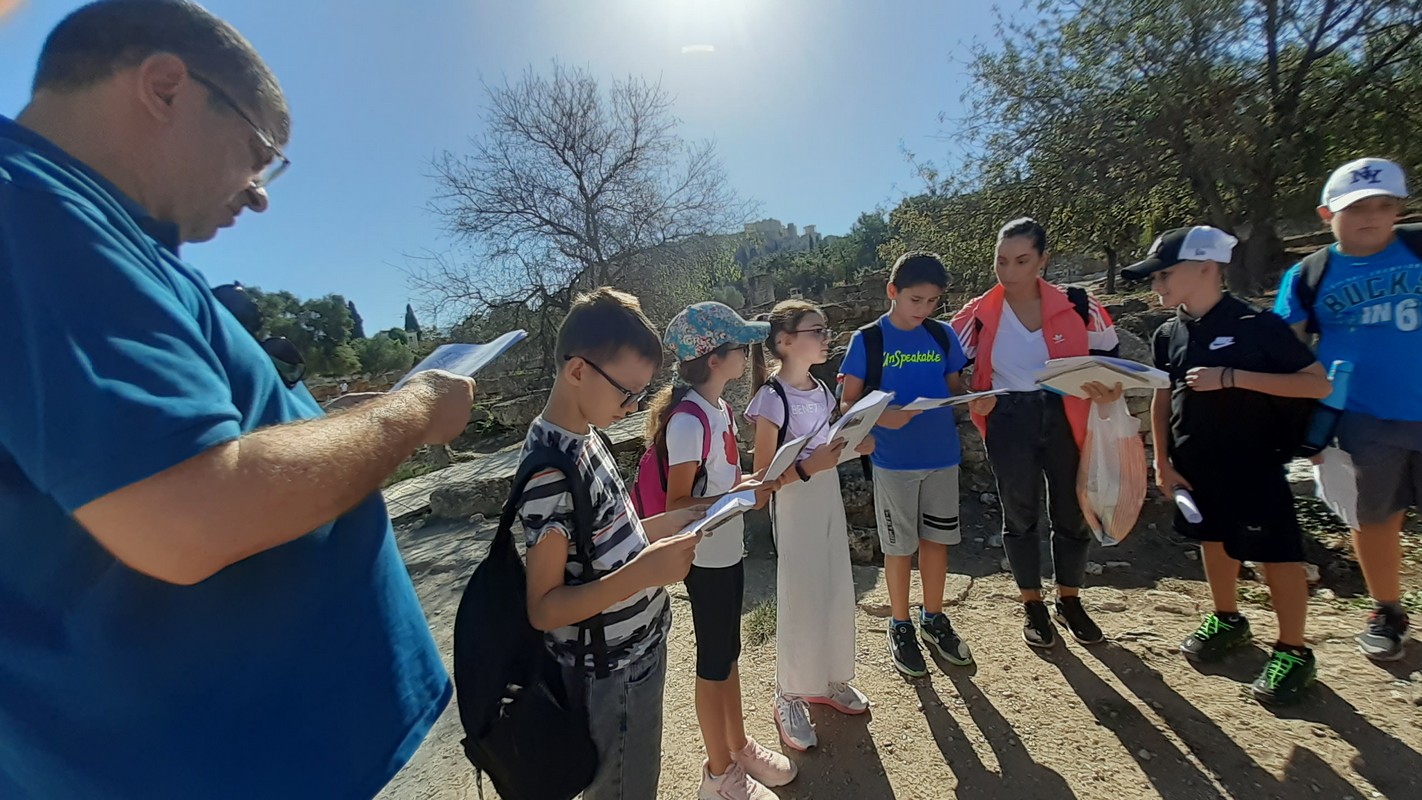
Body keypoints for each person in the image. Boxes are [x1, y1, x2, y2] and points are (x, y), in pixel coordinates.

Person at [0, 2, 475, 797]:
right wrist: (412, 411)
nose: (260, 196)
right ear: (164, 87)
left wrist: (332, 425)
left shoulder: (99, 232)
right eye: (260, 152)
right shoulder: (30, 210)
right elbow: (186, 513)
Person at [1124, 226, 1331, 704]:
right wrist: (1162, 460)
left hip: (1255, 464)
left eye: (1165, 274)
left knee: (1277, 554)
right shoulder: (1168, 333)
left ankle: (1294, 650)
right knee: (1213, 540)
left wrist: (1232, 377)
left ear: (1206, 268)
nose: (1157, 284)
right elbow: (1162, 397)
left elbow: (1316, 384)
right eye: (1154, 277)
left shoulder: (1258, 325)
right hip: (1195, 464)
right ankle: (1227, 617)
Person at [518, 288, 708, 800]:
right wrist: (645, 573)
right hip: (611, 673)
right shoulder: (550, 472)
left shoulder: (587, 434)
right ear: (578, 371)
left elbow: (603, 541)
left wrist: (665, 526)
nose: (633, 407)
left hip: (638, 650)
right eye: (627, 393)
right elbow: (544, 608)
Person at [950, 218, 1122, 648]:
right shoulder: (977, 314)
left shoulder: (1081, 305)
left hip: (1067, 414)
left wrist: (1108, 388)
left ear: (1043, 260)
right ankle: (1032, 604)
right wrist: (972, 396)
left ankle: (1070, 599)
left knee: (1072, 509)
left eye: (1022, 260)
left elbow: (1112, 361)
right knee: (1019, 512)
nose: (1009, 271)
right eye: (1001, 261)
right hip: (1009, 418)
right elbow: (950, 368)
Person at [1274, 157, 1420, 661]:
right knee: (1372, 517)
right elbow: (1288, 351)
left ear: (1399, 208)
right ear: (1327, 214)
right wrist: (1302, 430)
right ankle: (1387, 610)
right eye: (1356, 207)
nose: (1371, 216)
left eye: (1383, 204)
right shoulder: (1309, 274)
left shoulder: (1418, 249)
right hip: (1359, 418)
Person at [648, 301, 792, 800]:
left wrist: (746, 486)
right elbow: (678, 504)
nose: (747, 353)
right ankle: (718, 774)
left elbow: (718, 481)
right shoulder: (688, 421)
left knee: (728, 654)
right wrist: (738, 494)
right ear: (714, 359)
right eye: (739, 346)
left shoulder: (719, 410)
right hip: (705, 557)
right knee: (713, 663)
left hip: (727, 549)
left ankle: (738, 746)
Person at [839, 252, 974, 678]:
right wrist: (884, 416)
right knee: (899, 547)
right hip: (893, 461)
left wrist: (977, 398)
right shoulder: (867, 340)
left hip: (942, 457)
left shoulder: (943, 335)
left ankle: (933, 617)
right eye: (916, 300)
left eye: (933, 301)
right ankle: (899, 624)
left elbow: (955, 388)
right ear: (892, 292)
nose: (924, 309)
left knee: (937, 541)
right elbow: (847, 404)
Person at [746, 300, 868, 752]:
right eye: (816, 331)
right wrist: (806, 468)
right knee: (801, 596)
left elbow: (826, 449)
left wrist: (855, 443)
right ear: (785, 341)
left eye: (826, 330)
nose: (826, 338)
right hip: (796, 505)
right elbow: (763, 480)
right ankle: (789, 694)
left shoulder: (821, 391)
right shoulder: (771, 399)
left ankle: (828, 679)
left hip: (827, 497)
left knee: (834, 585)